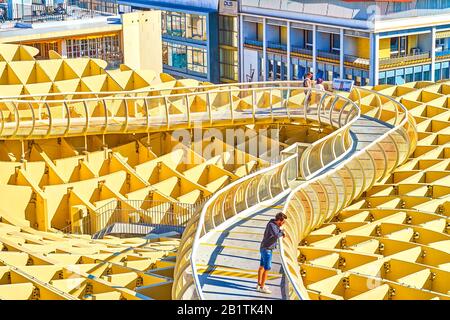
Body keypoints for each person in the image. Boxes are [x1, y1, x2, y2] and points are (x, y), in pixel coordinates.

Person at [257, 212, 287, 294]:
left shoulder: (272, 223)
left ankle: (259, 284)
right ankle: (262, 287)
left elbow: (277, 230)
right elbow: (276, 235)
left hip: (264, 247)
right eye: (283, 222)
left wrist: (281, 230)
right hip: (267, 249)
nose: (283, 224)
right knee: (267, 268)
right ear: (279, 220)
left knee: (262, 266)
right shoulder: (272, 225)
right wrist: (282, 233)